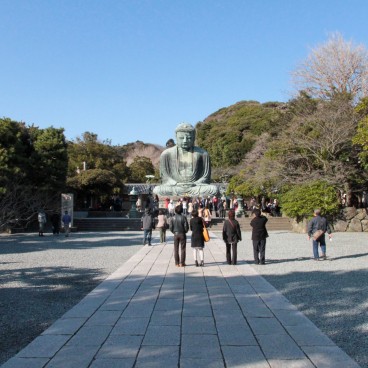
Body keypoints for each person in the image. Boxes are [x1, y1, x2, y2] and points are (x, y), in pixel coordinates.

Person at [153, 123, 218, 197]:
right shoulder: (166, 154)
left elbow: (205, 177)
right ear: (176, 137)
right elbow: (165, 177)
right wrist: (176, 183)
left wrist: (195, 183)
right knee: (158, 189)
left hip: (195, 187)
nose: (185, 141)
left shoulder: (203, 153)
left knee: (213, 189)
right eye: (181, 138)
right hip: (175, 187)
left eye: (189, 138)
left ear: (194, 138)